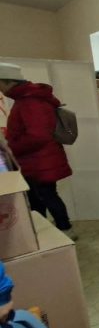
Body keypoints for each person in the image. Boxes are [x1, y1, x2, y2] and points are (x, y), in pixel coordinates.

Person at [0, 63, 77, 240]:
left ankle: (64, 230)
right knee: (40, 197)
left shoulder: (29, 101)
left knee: (45, 196)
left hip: (39, 160)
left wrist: (11, 147)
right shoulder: (28, 98)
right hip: (39, 159)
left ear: (9, 82)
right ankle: (46, 231)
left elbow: (38, 136)